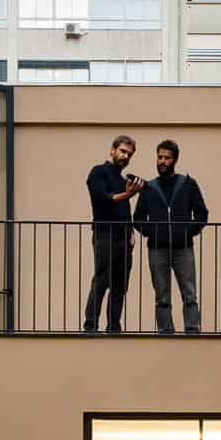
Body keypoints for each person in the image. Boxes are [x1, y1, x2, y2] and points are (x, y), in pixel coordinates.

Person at [133, 139, 208, 334]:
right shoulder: (149, 187)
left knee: (189, 294)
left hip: (183, 248)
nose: (162, 161)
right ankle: (166, 332)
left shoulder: (188, 184)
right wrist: (154, 232)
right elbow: (138, 218)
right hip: (157, 249)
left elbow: (201, 214)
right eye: (159, 157)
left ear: (175, 160)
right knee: (162, 296)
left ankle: (192, 330)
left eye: (167, 158)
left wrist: (186, 232)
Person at [84, 135, 144, 333]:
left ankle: (114, 327)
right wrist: (127, 195)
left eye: (130, 154)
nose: (126, 156)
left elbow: (123, 209)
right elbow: (103, 199)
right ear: (112, 150)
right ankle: (91, 326)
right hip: (105, 234)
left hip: (123, 239)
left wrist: (131, 233)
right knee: (101, 280)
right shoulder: (98, 172)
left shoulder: (122, 179)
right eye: (123, 151)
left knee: (120, 285)